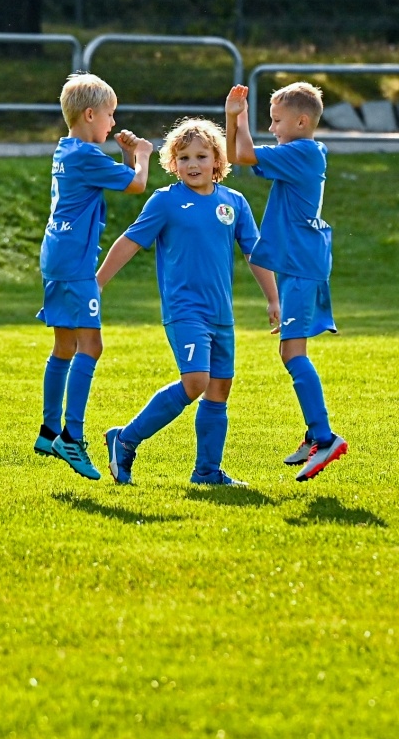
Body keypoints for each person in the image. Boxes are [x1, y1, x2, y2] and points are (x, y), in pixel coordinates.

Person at [98, 118, 279, 488]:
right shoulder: (165, 201)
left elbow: (255, 254)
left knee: (219, 388)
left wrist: (274, 299)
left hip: (221, 315)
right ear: (172, 163)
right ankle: (126, 439)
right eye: (183, 158)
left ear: (218, 161)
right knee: (196, 381)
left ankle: (207, 473)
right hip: (185, 311)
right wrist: (97, 283)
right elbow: (130, 241)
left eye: (201, 156)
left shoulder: (235, 203)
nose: (192, 164)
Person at [226, 81, 349, 481]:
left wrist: (237, 116)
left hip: (300, 266)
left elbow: (242, 153)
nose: (273, 128)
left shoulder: (301, 152)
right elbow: (236, 154)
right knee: (290, 351)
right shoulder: (303, 152)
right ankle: (315, 433)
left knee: (294, 353)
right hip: (303, 263)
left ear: (301, 121)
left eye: (277, 121)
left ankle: (325, 437)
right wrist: (235, 120)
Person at [35, 73, 152, 479]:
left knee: (65, 345)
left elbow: (112, 183)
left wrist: (124, 158)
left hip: (56, 257)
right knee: (92, 345)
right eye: (109, 116)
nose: (113, 124)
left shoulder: (67, 151)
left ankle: (49, 429)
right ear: (90, 114)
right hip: (76, 264)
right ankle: (72, 436)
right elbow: (137, 185)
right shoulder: (86, 155)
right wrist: (143, 153)